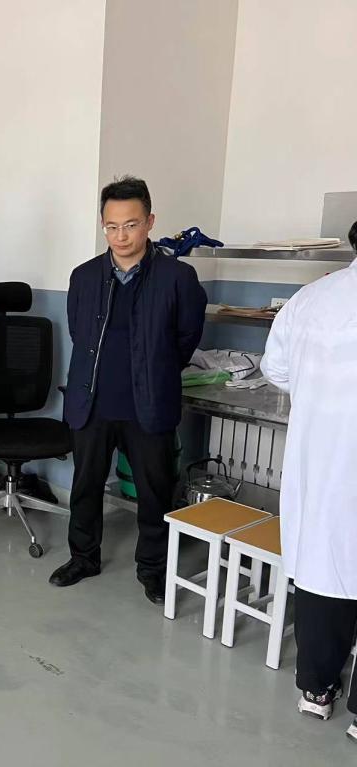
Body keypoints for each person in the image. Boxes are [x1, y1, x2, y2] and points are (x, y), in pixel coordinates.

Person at [50, 176, 206, 603]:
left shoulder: (178, 277)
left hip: (149, 404)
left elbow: (186, 338)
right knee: (85, 486)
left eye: (131, 225)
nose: (121, 236)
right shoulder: (84, 277)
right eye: (112, 226)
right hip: (92, 403)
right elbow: (81, 333)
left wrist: (154, 370)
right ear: (103, 225)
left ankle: (152, 569)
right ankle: (83, 557)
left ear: (150, 222)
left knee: (155, 491)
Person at [260, 220, 357, 742]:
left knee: (324, 574)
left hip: (321, 464)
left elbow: (276, 369)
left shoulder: (310, 299)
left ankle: (317, 691)